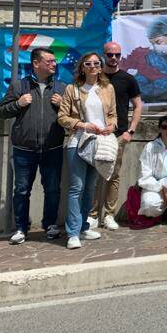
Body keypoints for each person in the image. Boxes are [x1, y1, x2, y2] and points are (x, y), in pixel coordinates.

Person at [0, 48, 66, 244]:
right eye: (50, 61)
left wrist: (63, 105)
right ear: (36, 63)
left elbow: (74, 115)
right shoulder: (19, 86)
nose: (54, 64)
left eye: (55, 61)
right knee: (22, 190)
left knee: (52, 189)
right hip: (24, 150)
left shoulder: (61, 88)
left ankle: (50, 225)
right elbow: (1, 111)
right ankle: (21, 228)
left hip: (52, 149)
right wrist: (18, 104)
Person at [57, 52, 117, 249]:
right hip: (78, 142)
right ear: (82, 67)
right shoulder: (72, 89)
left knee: (90, 188)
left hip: (100, 143)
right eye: (88, 63)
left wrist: (111, 125)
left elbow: (113, 115)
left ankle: (83, 227)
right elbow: (62, 117)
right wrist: (83, 125)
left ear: (101, 67)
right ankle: (72, 232)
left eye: (96, 63)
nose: (92, 66)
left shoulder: (108, 88)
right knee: (76, 188)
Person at [88, 41, 143, 232]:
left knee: (114, 175)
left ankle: (109, 214)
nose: (113, 58)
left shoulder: (128, 79)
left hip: (118, 135)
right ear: (103, 55)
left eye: (117, 55)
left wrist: (131, 131)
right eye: (110, 54)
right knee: (94, 175)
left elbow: (138, 105)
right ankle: (92, 215)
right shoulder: (94, 77)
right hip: (95, 134)